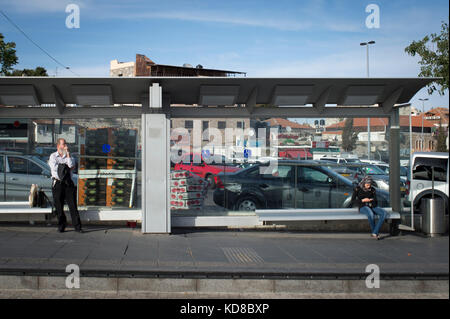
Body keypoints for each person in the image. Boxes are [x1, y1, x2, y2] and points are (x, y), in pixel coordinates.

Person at [48, 138, 83, 233]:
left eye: (65, 144)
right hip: (58, 183)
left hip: (68, 183)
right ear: (58, 145)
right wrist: (65, 167)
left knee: (72, 205)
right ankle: (62, 225)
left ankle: (77, 226)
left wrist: (67, 155)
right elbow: (55, 169)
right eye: (63, 144)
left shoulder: (69, 156)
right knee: (59, 206)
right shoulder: (53, 156)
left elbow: (72, 166)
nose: (65, 146)